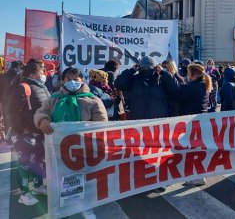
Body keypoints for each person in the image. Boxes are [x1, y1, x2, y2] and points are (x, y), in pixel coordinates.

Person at [35, 67, 107, 219]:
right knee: (61, 179)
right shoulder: (53, 98)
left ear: (82, 81)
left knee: (85, 179)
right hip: (58, 149)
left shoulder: (93, 100)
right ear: (62, 82)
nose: (72, 82)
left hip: (83, 148)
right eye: (68, 80)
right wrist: (43, 120)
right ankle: (64, 207)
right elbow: (41, 112)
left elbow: (101, 123)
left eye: (76, 79)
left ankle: (87, 208)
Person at [7, 59, 50, 206]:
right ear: (33, 73)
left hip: (38, 132)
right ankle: (24, 194)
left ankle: (38, 186)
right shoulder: (23, 87)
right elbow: (10, 112)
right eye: (42, 71)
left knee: (38, 160)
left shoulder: (42, 86)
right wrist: (20, 129)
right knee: (25, 163)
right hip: (24, 133)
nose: (44, 73)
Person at [114, 56, 179, 120]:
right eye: (145, 68)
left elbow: (176, 90)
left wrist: (131, 70)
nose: (147, 70)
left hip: (143, 121)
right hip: (155, 121)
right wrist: (163, 72)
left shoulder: (162, 80)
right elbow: (118, 84)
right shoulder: (134, 80)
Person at [178, 64, 212, 186]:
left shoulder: (195, 87)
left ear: (193, 74)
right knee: (195, 150)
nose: (187, 75)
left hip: (194, 123)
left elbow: (180, 93)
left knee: (193, 151)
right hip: (199, 122)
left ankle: (198, 177)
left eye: (188, 73)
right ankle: (197, 176)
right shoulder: (202, 85)